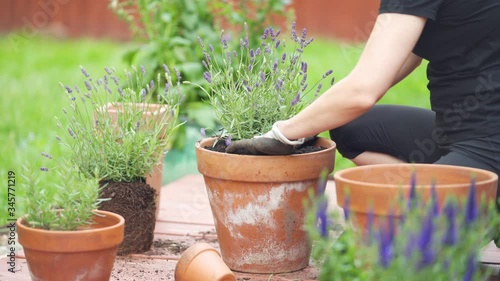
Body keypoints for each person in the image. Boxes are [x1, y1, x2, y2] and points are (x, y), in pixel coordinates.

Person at [226, 0, 500, 197]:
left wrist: (281, 134)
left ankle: (471, 210)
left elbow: (362, 91)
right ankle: (423, 192)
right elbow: (401, 60)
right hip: (457, 133)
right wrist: (306, 121)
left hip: (488, 151)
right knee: (352, 128)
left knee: (386, 251)